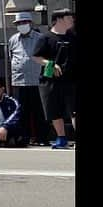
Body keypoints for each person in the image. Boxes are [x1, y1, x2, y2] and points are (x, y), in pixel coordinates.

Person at [32, 8, 76, 149]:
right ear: (59, 19)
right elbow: (36, 57)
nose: (72, 20)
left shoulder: (74, 37)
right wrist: (50, 64)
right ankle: (61, 138)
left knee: (74, 109)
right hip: (50, 79)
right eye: (68, 17)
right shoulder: (45, 38)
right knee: (54, 109)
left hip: (71, 79)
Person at [7, 12, 48, 145]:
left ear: (30, 23)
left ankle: (42, 138)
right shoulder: (13, 40)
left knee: (39, 111)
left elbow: (47, 58)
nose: (21, 25)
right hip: (19, 81)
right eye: (19, 23)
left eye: (24, 23)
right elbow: (10, 59)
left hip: (37, 81)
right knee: (21, 111)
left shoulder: (40, 38)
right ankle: (23, 138)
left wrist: (48, 77)